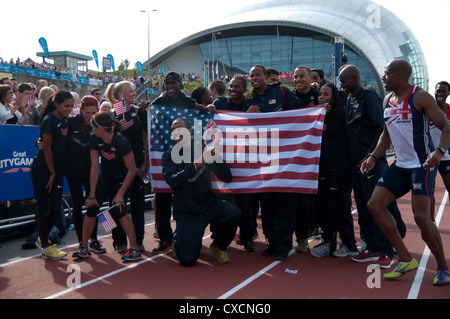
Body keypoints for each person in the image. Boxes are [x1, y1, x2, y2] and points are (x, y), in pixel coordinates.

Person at [361, 60, 450, 286]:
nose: (383, 77)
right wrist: (373, 157)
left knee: (422, 217)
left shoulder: (420, 97)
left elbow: (446, 126)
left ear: (400, 76)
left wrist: (439, 152)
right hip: (400, 165)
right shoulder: (387, 100)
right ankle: (405, 258)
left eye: (387, 73)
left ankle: (443, 268)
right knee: (374, 205)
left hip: (423, 164)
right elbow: (386, 134)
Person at [339, 64, 405, 269]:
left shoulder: (370, 99)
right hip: (355, 164)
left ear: (354, 78)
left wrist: (372, 156)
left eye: (344, 81)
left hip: (371, 163)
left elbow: (382, 130)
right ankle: (371, 247)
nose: (341, 85)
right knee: (362, 205)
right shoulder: (349, 100)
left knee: (377, 206)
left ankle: (386, 250)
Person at [162, 118, 241, 266]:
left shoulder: (202, 149)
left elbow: (227, 177)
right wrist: (197, 164)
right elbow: (172, 181)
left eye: (180, 128)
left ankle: (219, 245)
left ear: (189, 131)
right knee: (187, 261)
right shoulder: (168, 155)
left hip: (207, 205)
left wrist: (214, 156)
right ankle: (178, 241)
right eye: (173, 130)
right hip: (187, 211)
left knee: (234, 212)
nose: (176, 132)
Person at [246, 64, 302, 260]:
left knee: (284, 204)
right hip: (262, 160)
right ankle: (272, 242)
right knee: (267, 205)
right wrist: (247, 116)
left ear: (265, 76)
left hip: (285, 158)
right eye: (251, 75)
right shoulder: (248, 99)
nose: (255, 78)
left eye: (258, 74)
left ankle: (284, 245)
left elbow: (300, 115)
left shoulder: (281, 92)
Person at [72, 112, 142, 262]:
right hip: (108, 176)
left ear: (100, 128)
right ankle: (84, 246)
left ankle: (134, 248)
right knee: (91, 206)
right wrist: (91, 194)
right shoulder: (95, 139)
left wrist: (120, 194)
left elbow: (132, 170)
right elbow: (95, 168)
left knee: (118, 208)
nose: (92, 130)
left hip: (124, 177)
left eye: (93, 127)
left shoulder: (121, 141)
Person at [151, 72, 200, 255]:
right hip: (167, 156)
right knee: (162, 200)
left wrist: (207, 108)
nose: (170, 86)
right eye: (167, 83)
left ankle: (187, 235)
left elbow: (200, 115)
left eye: (173, 83)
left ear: (180, 84)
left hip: (187, 155)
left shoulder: (189, 103)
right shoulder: (157, 103)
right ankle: (165, 238)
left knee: (186, 199)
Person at [309, 84, 358, 257]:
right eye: (320, 94)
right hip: (322, 167)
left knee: (336, 204)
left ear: (334, 97)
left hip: (342, 166)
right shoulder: (315, 116)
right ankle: (348, 244)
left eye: (326, 94)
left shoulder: (342, 113)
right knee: (330, 205)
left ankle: (329, 241)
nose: (321, 97)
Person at [105, 81, 149, 252]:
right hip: (115, 169)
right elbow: (104, 143)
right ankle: (117, 240)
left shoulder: (139, 113)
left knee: (137, 207)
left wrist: (145, 163)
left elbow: (145, 138)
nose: (133, 93)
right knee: (114, 206)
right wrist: (117, 132)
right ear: (119, 96)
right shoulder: (111, 117)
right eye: (130, 91)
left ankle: (138, 240)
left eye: (133, 91)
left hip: (137, 167)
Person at [30, 90, 74, 260]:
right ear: (56, 104)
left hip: (57, 171)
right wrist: (52, 172)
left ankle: (43, 239)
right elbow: (46, 148)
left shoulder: (65, 120)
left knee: (56, 207)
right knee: (43, 207)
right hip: (43, 169)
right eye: (66, 106)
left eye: (71, 106)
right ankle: (46, 246)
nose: (69, 109)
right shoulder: (49, 121)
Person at [66, 95, 105, 253]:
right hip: (73, 171)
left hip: (92, 172)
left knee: (94, 203)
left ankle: (94, 239)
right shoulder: (70, 123)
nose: (90, 116)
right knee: (77, 205)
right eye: (87, 112)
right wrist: (38, 142)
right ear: (80, 110)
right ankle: (82, 242)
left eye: (94, 112)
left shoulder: (98, 124)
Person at [291, 66, 320, 252]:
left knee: (318, 198)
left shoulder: (320, 96)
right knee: (299, 200)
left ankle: (326, 236)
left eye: (302, 76)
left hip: (318, 154)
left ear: (311, 78)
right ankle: (302, 238)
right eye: (295, 77)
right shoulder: (289, 97)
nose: (298, 79)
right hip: (295, 156)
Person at [430, 81, 450, 222]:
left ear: (448, 93)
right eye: (438, 91)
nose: (440, 94)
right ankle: (431, 222)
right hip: (429, 157)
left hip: (446, 156)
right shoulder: (428, 110)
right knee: (429, 193)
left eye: (443, 91)